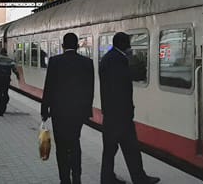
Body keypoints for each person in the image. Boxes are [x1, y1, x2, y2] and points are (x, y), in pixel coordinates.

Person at [99, 32, 160, 184]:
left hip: (111, 114)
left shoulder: (108, 58)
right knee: (131, 148)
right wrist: (128, 110)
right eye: (128, 43)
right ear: (123, 44)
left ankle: (107, 178)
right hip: (121, 115)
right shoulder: (119, 60)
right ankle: (139, 178)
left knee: (110, 150)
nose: (130, 46)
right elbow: (121, 88)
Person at [41, 33, 94, 184]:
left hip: (59, 113)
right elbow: (90, 89)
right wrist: (86, 111)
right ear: (77, 46)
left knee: (62, 147)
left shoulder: (54, 62)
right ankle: (76, 176)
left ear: (63, 46)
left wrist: (45, 110)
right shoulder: (87, 63)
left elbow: (48, 88)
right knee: (75, 143)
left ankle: (64, 179)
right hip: (78, 114)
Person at [0, 48, 19, 116]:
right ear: (6, 53)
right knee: (5, 93)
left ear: (0, 52)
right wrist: (17, 75)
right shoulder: (9, 60)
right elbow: (14, 68)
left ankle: (0, 110)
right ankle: (4, 104)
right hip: (6, 80)